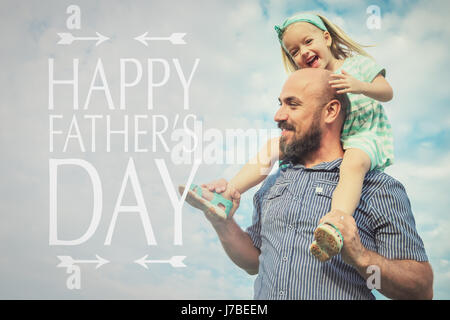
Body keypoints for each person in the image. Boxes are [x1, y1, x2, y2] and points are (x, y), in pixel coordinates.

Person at [186, 68, 433, 300]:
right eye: (280, 104)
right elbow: (255, 262)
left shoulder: (377, 187)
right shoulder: (271, 185)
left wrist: (360, 257)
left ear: (330, 111)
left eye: (292, 104)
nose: (279, 115)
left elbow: (421, 289)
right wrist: (223, 223)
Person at [181, 13, 396, 262]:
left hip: (361, 134)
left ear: (326, 38)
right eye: (294, 51)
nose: (303, 52)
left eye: (307, 42)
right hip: (331, 139)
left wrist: (360, 85)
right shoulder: (309, 81)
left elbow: (387, 92)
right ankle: (227, 194)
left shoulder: (356, 65)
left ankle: (335, 224)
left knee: (353, 164)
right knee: (273, 147)